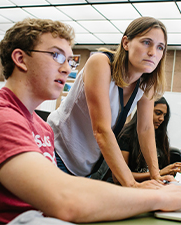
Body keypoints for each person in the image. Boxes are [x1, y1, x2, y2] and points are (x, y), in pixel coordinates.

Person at [0, 18, 181, 224]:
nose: (68, 70)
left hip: (66, 189)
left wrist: (154, 182)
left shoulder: (39, 127)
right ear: (20, 59)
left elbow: (65, 193)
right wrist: (149, 195)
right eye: (56, 56)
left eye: (70, 60)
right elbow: (66, 198)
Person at [47, 16, 173, 187]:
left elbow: (145, 128)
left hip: (88, 166)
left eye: (160, 47)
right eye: (146, 42)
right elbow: (101, 129)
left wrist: (155, 175)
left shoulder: (146, 83)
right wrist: (132, 184)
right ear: (126, 43)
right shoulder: (101, 63)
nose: (153, 52)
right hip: (57, 152)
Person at [118, 97, 181, 182]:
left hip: (152, 186)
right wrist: (159, 173)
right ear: (144, 110)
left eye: (164, 115)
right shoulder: (126, 135)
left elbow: (161, 170)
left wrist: (175, 170)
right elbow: (119, 177)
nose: (162, 119)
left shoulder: (160, 137)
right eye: (158, 113)